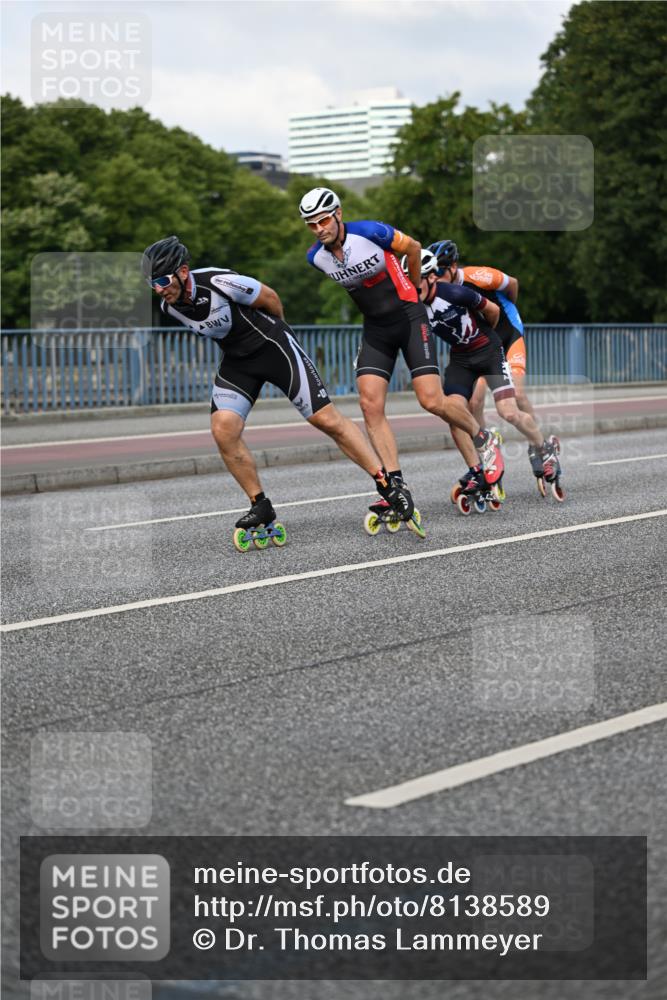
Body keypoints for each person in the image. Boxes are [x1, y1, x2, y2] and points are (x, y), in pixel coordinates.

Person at [142, 235, 416, 535]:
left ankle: (388, 485)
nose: (159, 289)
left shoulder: (218, 281)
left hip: (274, 347)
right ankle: (260, 504)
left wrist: (282, 335)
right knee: (223, 430)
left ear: (183, 272)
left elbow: (270, 298)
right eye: (152, 283)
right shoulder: (171, 308)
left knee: (326, 419)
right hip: (238, 362)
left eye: (163, 280)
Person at [299, 187, 504, 512]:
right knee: (369, 405)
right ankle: (395, 485)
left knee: (431, 400)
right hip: (376, 329)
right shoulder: (316, 258)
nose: (318, 228)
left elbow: (414, 247)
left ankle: (483, 438)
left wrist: (410, 286)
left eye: (323, 220)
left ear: (338, 214)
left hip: (409, 318)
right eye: (311, 224)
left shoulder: (370, 232)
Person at [407, 249, 559, 503]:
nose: (412, 286)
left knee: (510, 408)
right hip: (463, 358)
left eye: (417, 280)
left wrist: (490, 332)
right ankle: (480, 467)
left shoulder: (461, 288)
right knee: (457, 411)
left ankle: (544, 447)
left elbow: (498, 304)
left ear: (435, 276)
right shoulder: (416, 305)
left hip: (495, 345)